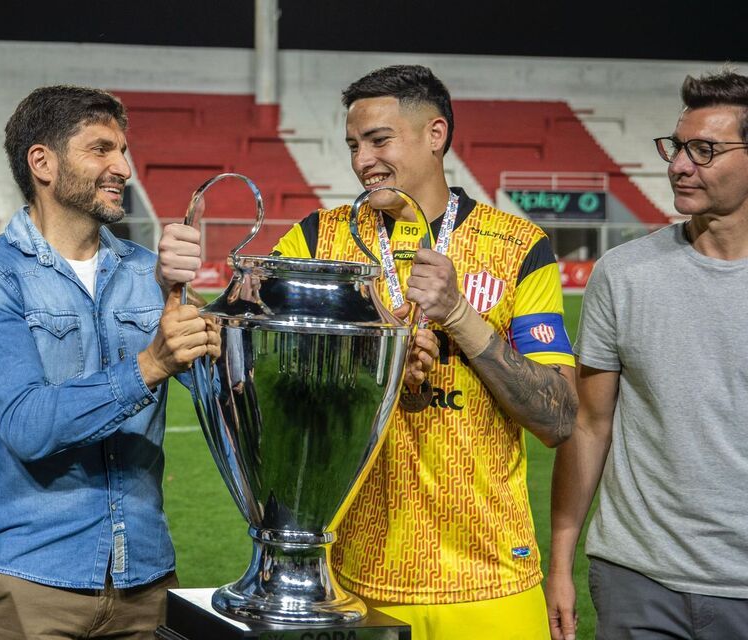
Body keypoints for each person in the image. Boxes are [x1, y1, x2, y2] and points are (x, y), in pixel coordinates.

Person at [159, 64, 578, 639]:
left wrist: (459, 315)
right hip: (352, 583)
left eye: (379, 140)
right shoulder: (313, 239)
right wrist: (175, 291)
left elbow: (557, 416)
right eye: (353, 145)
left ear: (436, 134)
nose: (362, 161)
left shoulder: (518, 247)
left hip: (491, 582)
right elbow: (244, 368)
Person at [0, 86, 220, 639]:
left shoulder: (152, 275)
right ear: (42, 163)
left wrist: (216, 321)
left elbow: (232, 402)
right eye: (101, 149)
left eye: (123, 149)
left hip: (146, 580)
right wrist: (149, 364)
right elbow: (28, 425)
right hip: (32, 582)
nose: (123, 166)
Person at [546, 70, 748, 640]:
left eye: (705, 150)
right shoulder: (623, 273)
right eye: (678, 147)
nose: (680, 165)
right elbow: (588, 425)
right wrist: (560, 561)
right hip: (637, 580)